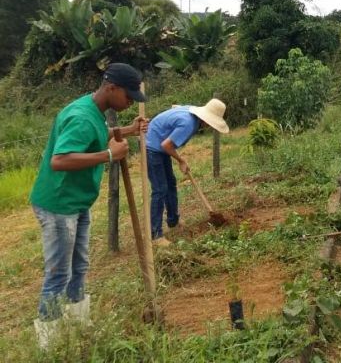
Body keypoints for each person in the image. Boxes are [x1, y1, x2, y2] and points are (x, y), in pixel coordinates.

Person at [30, 63, 147, 348]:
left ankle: (77, 326)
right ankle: (51, 344)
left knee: (80, 266)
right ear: (111, 88)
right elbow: (60, 160)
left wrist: (127, 130)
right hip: (59, 204)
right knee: (59, 273)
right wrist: (109, 155)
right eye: (128, 96)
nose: (130, 101)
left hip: (77, 201)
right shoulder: (82, 116)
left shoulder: (92, 109)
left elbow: (97, 133)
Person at [146, 99, 229, 246]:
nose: (210, 127)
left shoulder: (192, 113)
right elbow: (166, 145)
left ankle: (173, 221)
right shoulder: (188, 124)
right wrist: (181, 160)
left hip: (160, 143)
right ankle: (156, 235)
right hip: (152, 146)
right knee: (160, 189)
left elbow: (174, 110)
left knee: (170, 184)